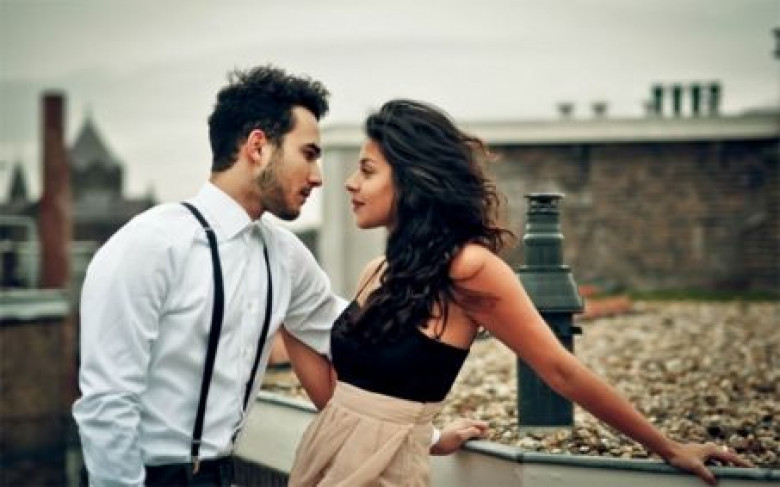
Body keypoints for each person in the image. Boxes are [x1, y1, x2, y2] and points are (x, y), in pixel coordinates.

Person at [282, 99, 753, 487]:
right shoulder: (376, 272)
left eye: (367, 170)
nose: (350, 182)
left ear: (413, 180)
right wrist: (281, 308)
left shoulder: (470, 269)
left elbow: (560, 369)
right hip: (321, 465)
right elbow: (341, 401)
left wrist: (668, 448)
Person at [72, 66, 482, 487]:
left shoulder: (284, 254)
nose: (318, 177)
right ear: (258, 147)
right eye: (308, 154)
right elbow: (107, 402)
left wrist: (427, 435)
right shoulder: (148, 245)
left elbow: (361, 348)